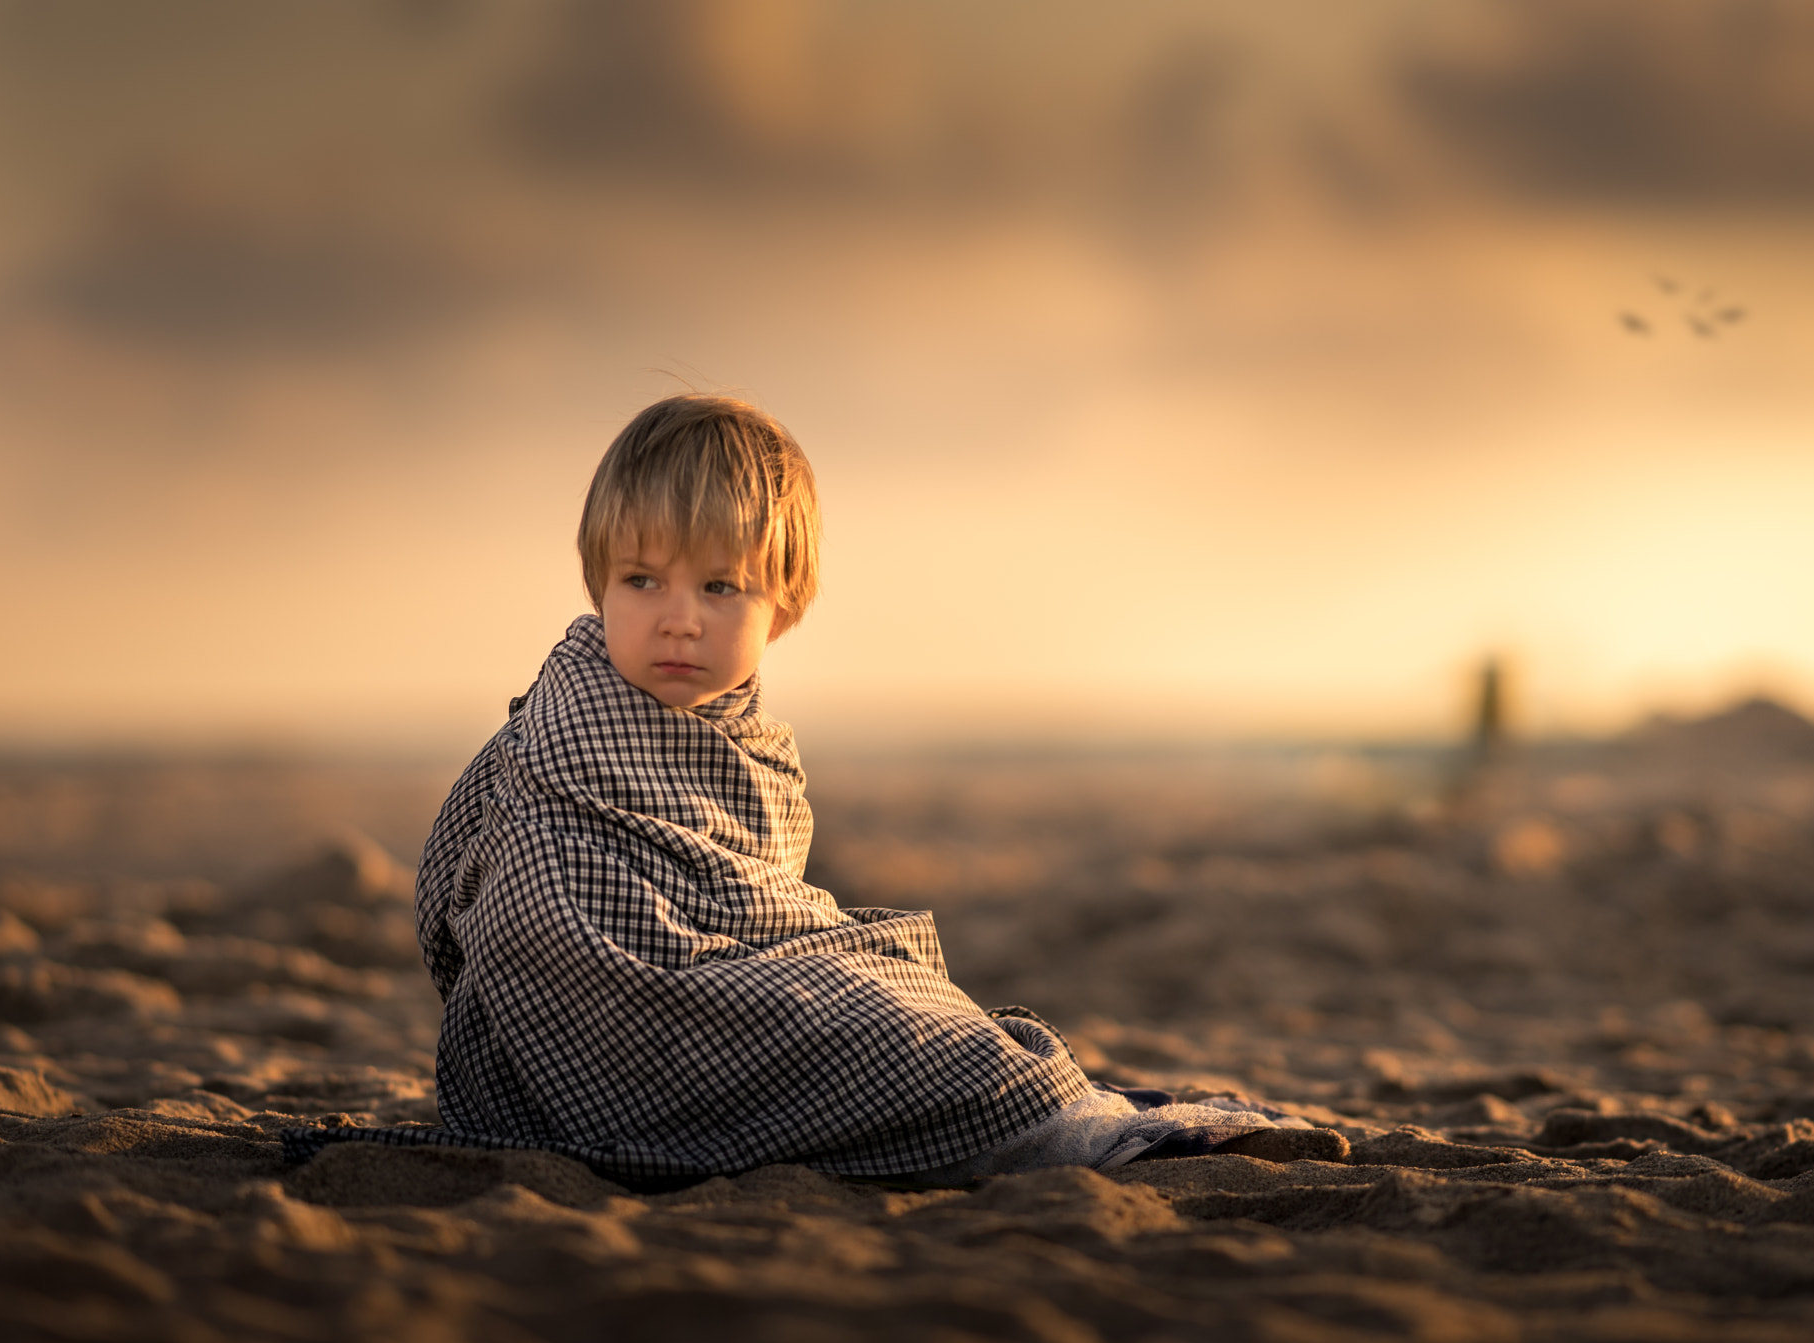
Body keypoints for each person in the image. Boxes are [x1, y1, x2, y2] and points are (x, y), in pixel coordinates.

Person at [310, 394, 1339, 1187]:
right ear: (597, 582)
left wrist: (784, 967)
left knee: (902, 990)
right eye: (643, 581)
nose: (678, 618)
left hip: (736, 980)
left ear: (782, 603)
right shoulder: (551, 741)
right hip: (587, 1015)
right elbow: (488, 901)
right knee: (918, 1045)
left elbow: (758, 917)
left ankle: (1044, 1109)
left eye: (719, 587)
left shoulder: (754, 747)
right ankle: (1045, 1128)